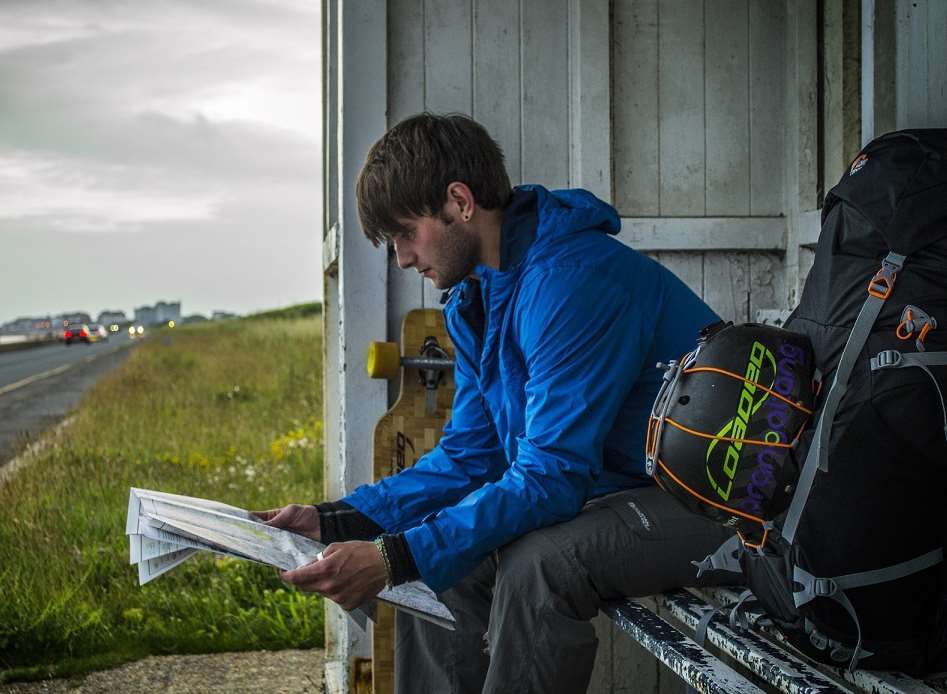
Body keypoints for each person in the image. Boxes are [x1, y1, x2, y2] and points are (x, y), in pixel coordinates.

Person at [256, 113, 737, 693]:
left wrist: (393, 556)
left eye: (406, 233)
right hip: (618, 487)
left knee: (538, 563)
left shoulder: (572, 282)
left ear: (459, 201)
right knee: (443, 563)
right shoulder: (477, 300)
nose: (403, 258)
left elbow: (553, 476)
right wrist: (338, 518)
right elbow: (470, 456)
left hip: (717, 505)